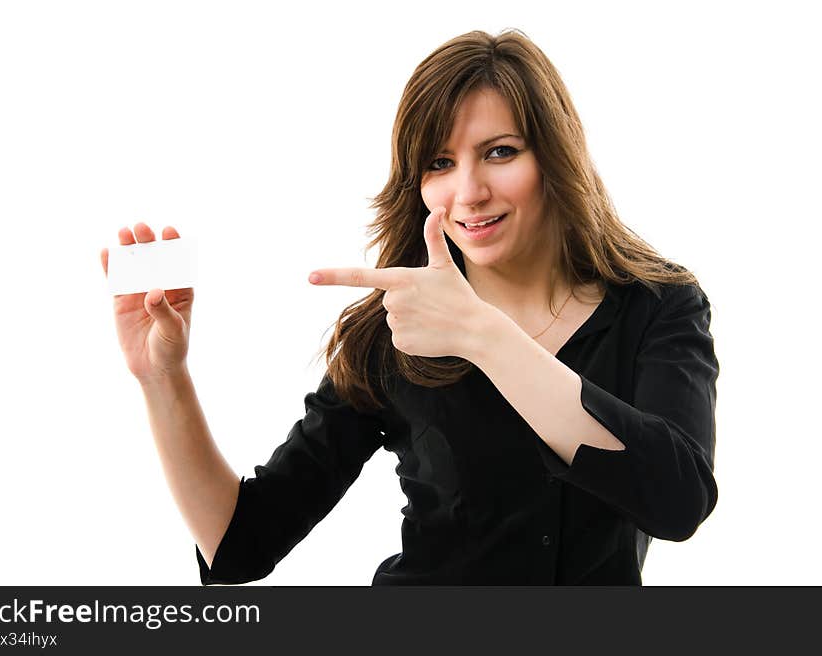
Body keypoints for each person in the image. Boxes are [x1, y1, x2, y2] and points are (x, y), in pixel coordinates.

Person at [100, 29, 719, 585]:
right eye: (439, 164)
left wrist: (484, 336)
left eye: (500, 151)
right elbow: (241, 545)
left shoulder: (659, 304)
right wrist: (163, 379)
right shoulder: (394, 328)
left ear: (555, 157)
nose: (468, 192)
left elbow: (677, 500)